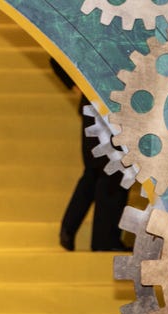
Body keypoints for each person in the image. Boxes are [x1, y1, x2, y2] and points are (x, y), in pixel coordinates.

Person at [50, 58, 129, 252]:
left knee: (97, 172)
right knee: (113, 173)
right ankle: (103, 241)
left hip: (99, 107)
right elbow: (56, 58)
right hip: (107, 108)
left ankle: (71, 228)